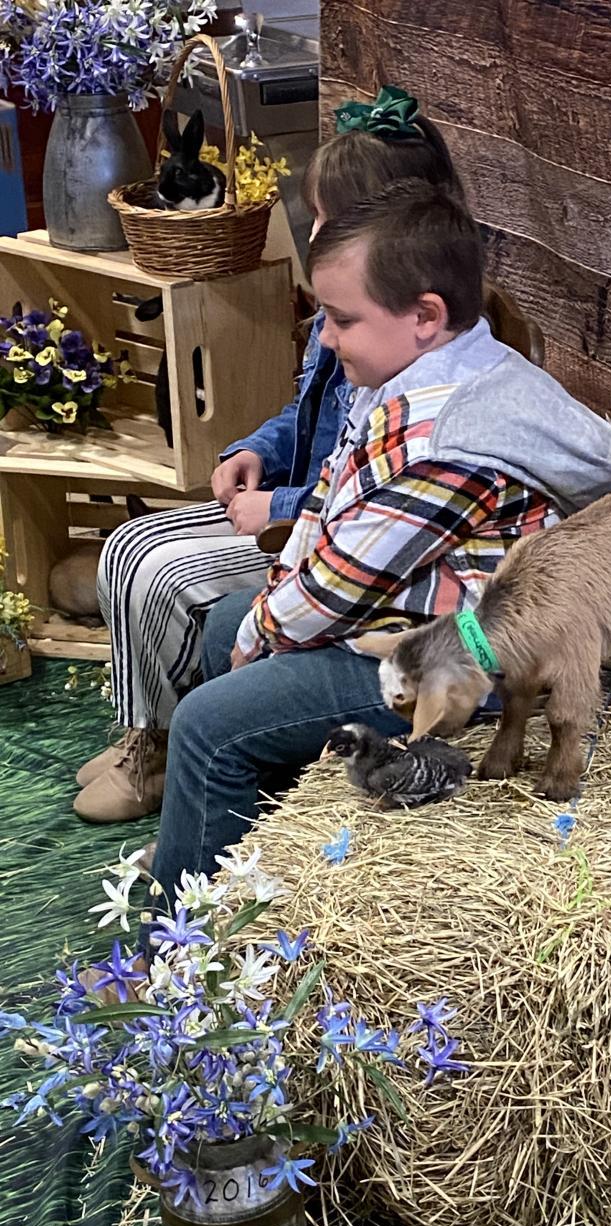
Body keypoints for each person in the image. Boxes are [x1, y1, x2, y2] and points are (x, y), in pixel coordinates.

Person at [143, 179, 611, 931]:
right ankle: (244, 849)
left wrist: (265, 628)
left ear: (425, 317)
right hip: (415, 612)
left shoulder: (447, 444)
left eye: (342, 319)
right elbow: (329, 507)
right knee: (224, 629)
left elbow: (337, 590)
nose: (325, 337)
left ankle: (179, 951)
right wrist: (259, 620)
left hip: (466, 661)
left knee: (209, 725)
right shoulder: (412, 377)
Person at [74, 85, 466, 824]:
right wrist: (256, 448)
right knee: (127, 547)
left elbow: (369, 512)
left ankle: (176, 747)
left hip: (331, 545)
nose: (311, 232)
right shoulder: (343, 318)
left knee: (164, 574)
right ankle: (153, 736)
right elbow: (310, 417)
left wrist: (278, 511)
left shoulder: (407, 358)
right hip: (305, 516)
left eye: (326, 218)